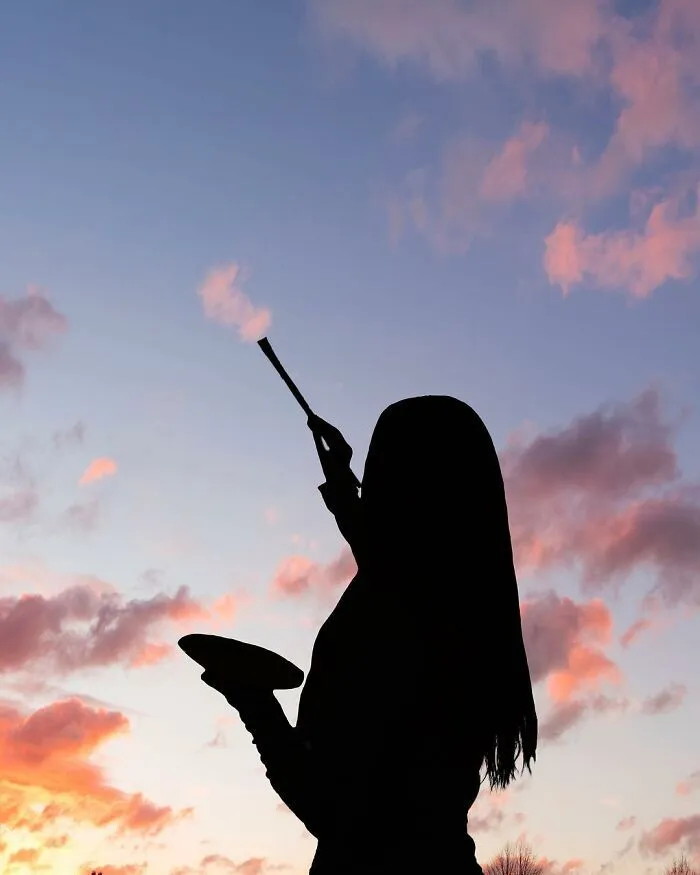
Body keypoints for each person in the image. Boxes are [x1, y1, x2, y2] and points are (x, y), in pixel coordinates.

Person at [201, 395, 538, 875]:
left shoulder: (400, 619)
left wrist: (253, 699)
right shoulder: (459, 602)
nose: (373, 485)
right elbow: (389, 557)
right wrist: (341, 480)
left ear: (409, 491)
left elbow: (336, 813)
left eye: (384, 471)